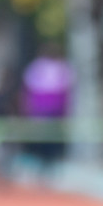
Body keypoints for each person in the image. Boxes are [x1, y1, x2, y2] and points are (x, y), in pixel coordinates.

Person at [22, 43, 73, 173]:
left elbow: (65, 90)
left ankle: (50, 162)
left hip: (53, 109)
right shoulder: (39, 67)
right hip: (42, 109)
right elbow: (31, 89)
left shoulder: (61, 67)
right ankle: (43, 162)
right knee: (42, 138)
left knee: (53, 138)